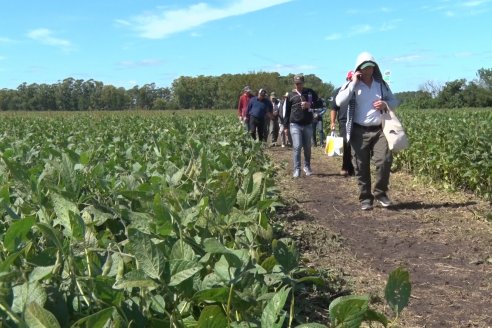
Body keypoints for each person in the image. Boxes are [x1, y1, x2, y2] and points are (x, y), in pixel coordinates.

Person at [336, 52, 399, 210]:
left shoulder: (381, 85)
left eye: (370, 67)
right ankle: (365, 198)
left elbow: (394, 101)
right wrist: (353, 83)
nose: (368, 71)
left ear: (374, 68)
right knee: (361, 165)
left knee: (384, 161)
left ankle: (381, 192)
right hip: (358, 130)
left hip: (379, 130)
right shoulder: (351, 85)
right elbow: (339, 101)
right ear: (358, 69)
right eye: (364, 68)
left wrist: (385, 104)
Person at [285, 74, 319, 178]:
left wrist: (310, 105)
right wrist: (286, 127)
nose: (298, 85)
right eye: (296, 83)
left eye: (300, 83)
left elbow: (319, 103)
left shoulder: (309, 92)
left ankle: (307, 166)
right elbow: (286, 112)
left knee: (307, 147)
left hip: (308, 124)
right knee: (297, 146)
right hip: (294, 124)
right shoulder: (290, 95)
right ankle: (297, 169)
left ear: (303, 83)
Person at [330, 71, 355, 177]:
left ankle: (353, 168)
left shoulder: (358, 91)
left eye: (353, 79)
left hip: (356, 121)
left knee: (355, 146)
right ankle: (345, 166)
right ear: (347, 79)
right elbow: (334, 108)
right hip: (344, 121)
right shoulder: (339, 91)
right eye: (350, 79)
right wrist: (332, 122)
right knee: (346, 144)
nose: (351, 81)